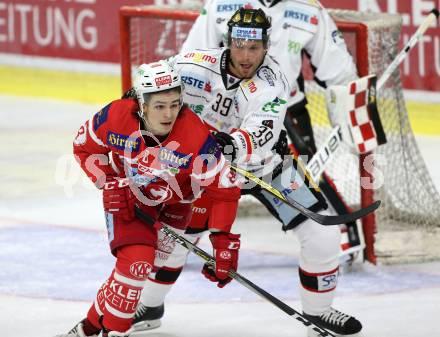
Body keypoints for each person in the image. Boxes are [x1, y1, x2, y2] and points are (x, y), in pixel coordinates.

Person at [133, 8, 362, 337]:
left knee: (322, 234)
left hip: (265, 166)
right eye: (239, 45)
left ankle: (319, 313)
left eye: (254, 48)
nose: (245, 56)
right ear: (228, 42)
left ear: (266, 46)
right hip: (204, 169)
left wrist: (232, 146)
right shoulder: (194, 62)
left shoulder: (273, 82)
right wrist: (137, 105)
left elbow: (260, 135)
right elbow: (153, 80)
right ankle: (150, 305)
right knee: (175, 237)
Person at [55, 60, 242, 337]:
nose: (169, 114)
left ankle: (88, 328)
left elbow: (224, 187)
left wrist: (222, 238)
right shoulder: (115, 117)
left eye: (175, 104)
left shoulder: (195, 136)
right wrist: (109, 183)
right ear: (141, 104)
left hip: (176, 205)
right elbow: (84, 148)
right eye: (159, 106)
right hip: (128, 198)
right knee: (137, 263)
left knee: (134, 273)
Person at [181, 0, 363, 255]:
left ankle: (341, 233)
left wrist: (349, 108)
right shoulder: (220, 4)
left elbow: (339, 71)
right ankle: (190, 225)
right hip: (225, 112)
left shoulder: (308, 8)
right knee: (208, 171)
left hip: (285, 111)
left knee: (304, 175)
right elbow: (192, 60)